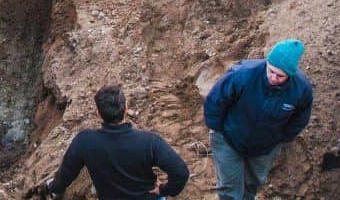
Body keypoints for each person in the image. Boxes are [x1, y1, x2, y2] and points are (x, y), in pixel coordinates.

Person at [25, 84, 190, 199]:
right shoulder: (150, 141)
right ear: (126, 109)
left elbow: (66, 174)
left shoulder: (85, 141)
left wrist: (53, 188)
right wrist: (163, 190)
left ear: (98, 114)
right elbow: (181, 173)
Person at [203, 39, 313, 200]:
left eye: (280, 76)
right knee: (229, 189)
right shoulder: (242, 74)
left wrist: (280, 139)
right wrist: (216, 129)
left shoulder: (301, 90)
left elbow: (300, 119)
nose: (274, 78)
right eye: (271, 71)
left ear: (290, 74)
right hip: (228, 139)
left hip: (264, 147)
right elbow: (216, 100)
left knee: (252, 185)